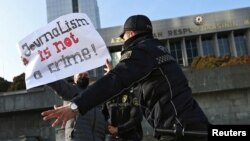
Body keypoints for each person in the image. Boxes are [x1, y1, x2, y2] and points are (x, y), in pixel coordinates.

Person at [41, 15, 209, 141]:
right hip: (184, 126)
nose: (123, 41)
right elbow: (125, 82)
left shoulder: (141, 50)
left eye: (123, 37)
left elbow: (117, 81)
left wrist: (76, 106)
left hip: (180, 129)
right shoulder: (157, 50)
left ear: (130, 33)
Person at [22, 57, 106, 141]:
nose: (83, 76)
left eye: (86, 75)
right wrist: (34, 66)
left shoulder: (94, 93)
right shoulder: (71, 90)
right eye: (80, 75)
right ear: (74, 78)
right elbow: (54, 80)